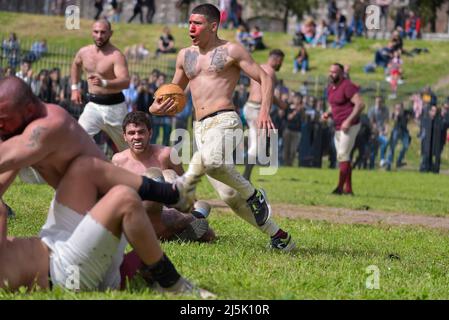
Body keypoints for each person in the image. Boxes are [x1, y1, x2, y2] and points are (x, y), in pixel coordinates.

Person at [0, 76, 209, 295]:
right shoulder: (37, 124)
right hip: (67, 270)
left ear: (29, 109)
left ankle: (173, 196)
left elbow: (10, 161)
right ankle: (173, 280)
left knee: (85, 167)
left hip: (62, 241)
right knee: (125, 199)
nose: (1, 125)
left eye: (4, 118)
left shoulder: (49, 124)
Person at [149, 3, 296, 252]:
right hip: (200, 128)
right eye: (189, 23)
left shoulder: (232, 50)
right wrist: (157, 107)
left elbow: (265, 78)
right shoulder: (185, 55)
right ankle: (280, 236)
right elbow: (171, 94)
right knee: (229, 196)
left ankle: (246, 193)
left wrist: (263, 112)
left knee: (210, 160)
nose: (191, 28)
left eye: (197, 23)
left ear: (213, 26)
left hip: (226, 121)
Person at [112, 111, 216, 242]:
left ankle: (177, 233)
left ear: (150, 133)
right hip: (137, 215)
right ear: (124, 136)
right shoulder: (119, 160)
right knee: (154, 176)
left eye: (141, 132)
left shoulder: (167, 154)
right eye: (131, 133)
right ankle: (194, 218)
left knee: (170, 176)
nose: (137, 137)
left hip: (166, 212)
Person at [71, 19, 130, 152]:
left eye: (103, 32)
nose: (99, 36)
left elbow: (125, 82)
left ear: (110, 33)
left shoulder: (116, 56)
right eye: (96, 32)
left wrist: (104, 83)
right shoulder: (84, 52)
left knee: (128, 149)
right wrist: (74, 88)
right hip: (93, 106)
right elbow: (75, 64)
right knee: (77, 140)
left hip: (115, 108)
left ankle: (141, 172)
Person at [242, 49, 287, 180]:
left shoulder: (258, 67)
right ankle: (246, 176)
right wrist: (282, 104)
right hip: (256, 109)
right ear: (277, 59)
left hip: (248, 107)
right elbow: (268, 94)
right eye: (281, 61)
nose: (281, 64)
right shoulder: (271, 72)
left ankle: (246, 140)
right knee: (257, 146)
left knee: (256, 142)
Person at [325, 63, 365, 195]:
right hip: (338, 125)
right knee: (344, 157)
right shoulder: (331, 88)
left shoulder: (347, 86)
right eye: (330, 71)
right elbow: (334, 105)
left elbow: (360, 104)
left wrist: (348, 120)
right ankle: (349, 189)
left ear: (342, 74)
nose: (331, 74)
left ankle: (339, 188)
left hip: (350, 125)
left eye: (335, 72)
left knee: (342, 154)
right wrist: (328, 113)